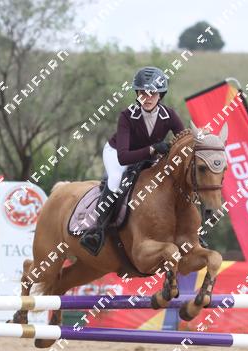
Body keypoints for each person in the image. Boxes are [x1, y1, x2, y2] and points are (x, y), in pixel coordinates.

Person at [79, 66, 185, 255]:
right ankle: (97, 231)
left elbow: (183, 140)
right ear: (137, 94)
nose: (148, 97)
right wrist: (153, 149)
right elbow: (124, 157)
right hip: (117, 154)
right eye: (143, 93)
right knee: (115, 181)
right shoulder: (127, 116)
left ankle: (189, 231)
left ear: (160, 95)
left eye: (153, 93)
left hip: (149, 156)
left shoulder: (170, 116)